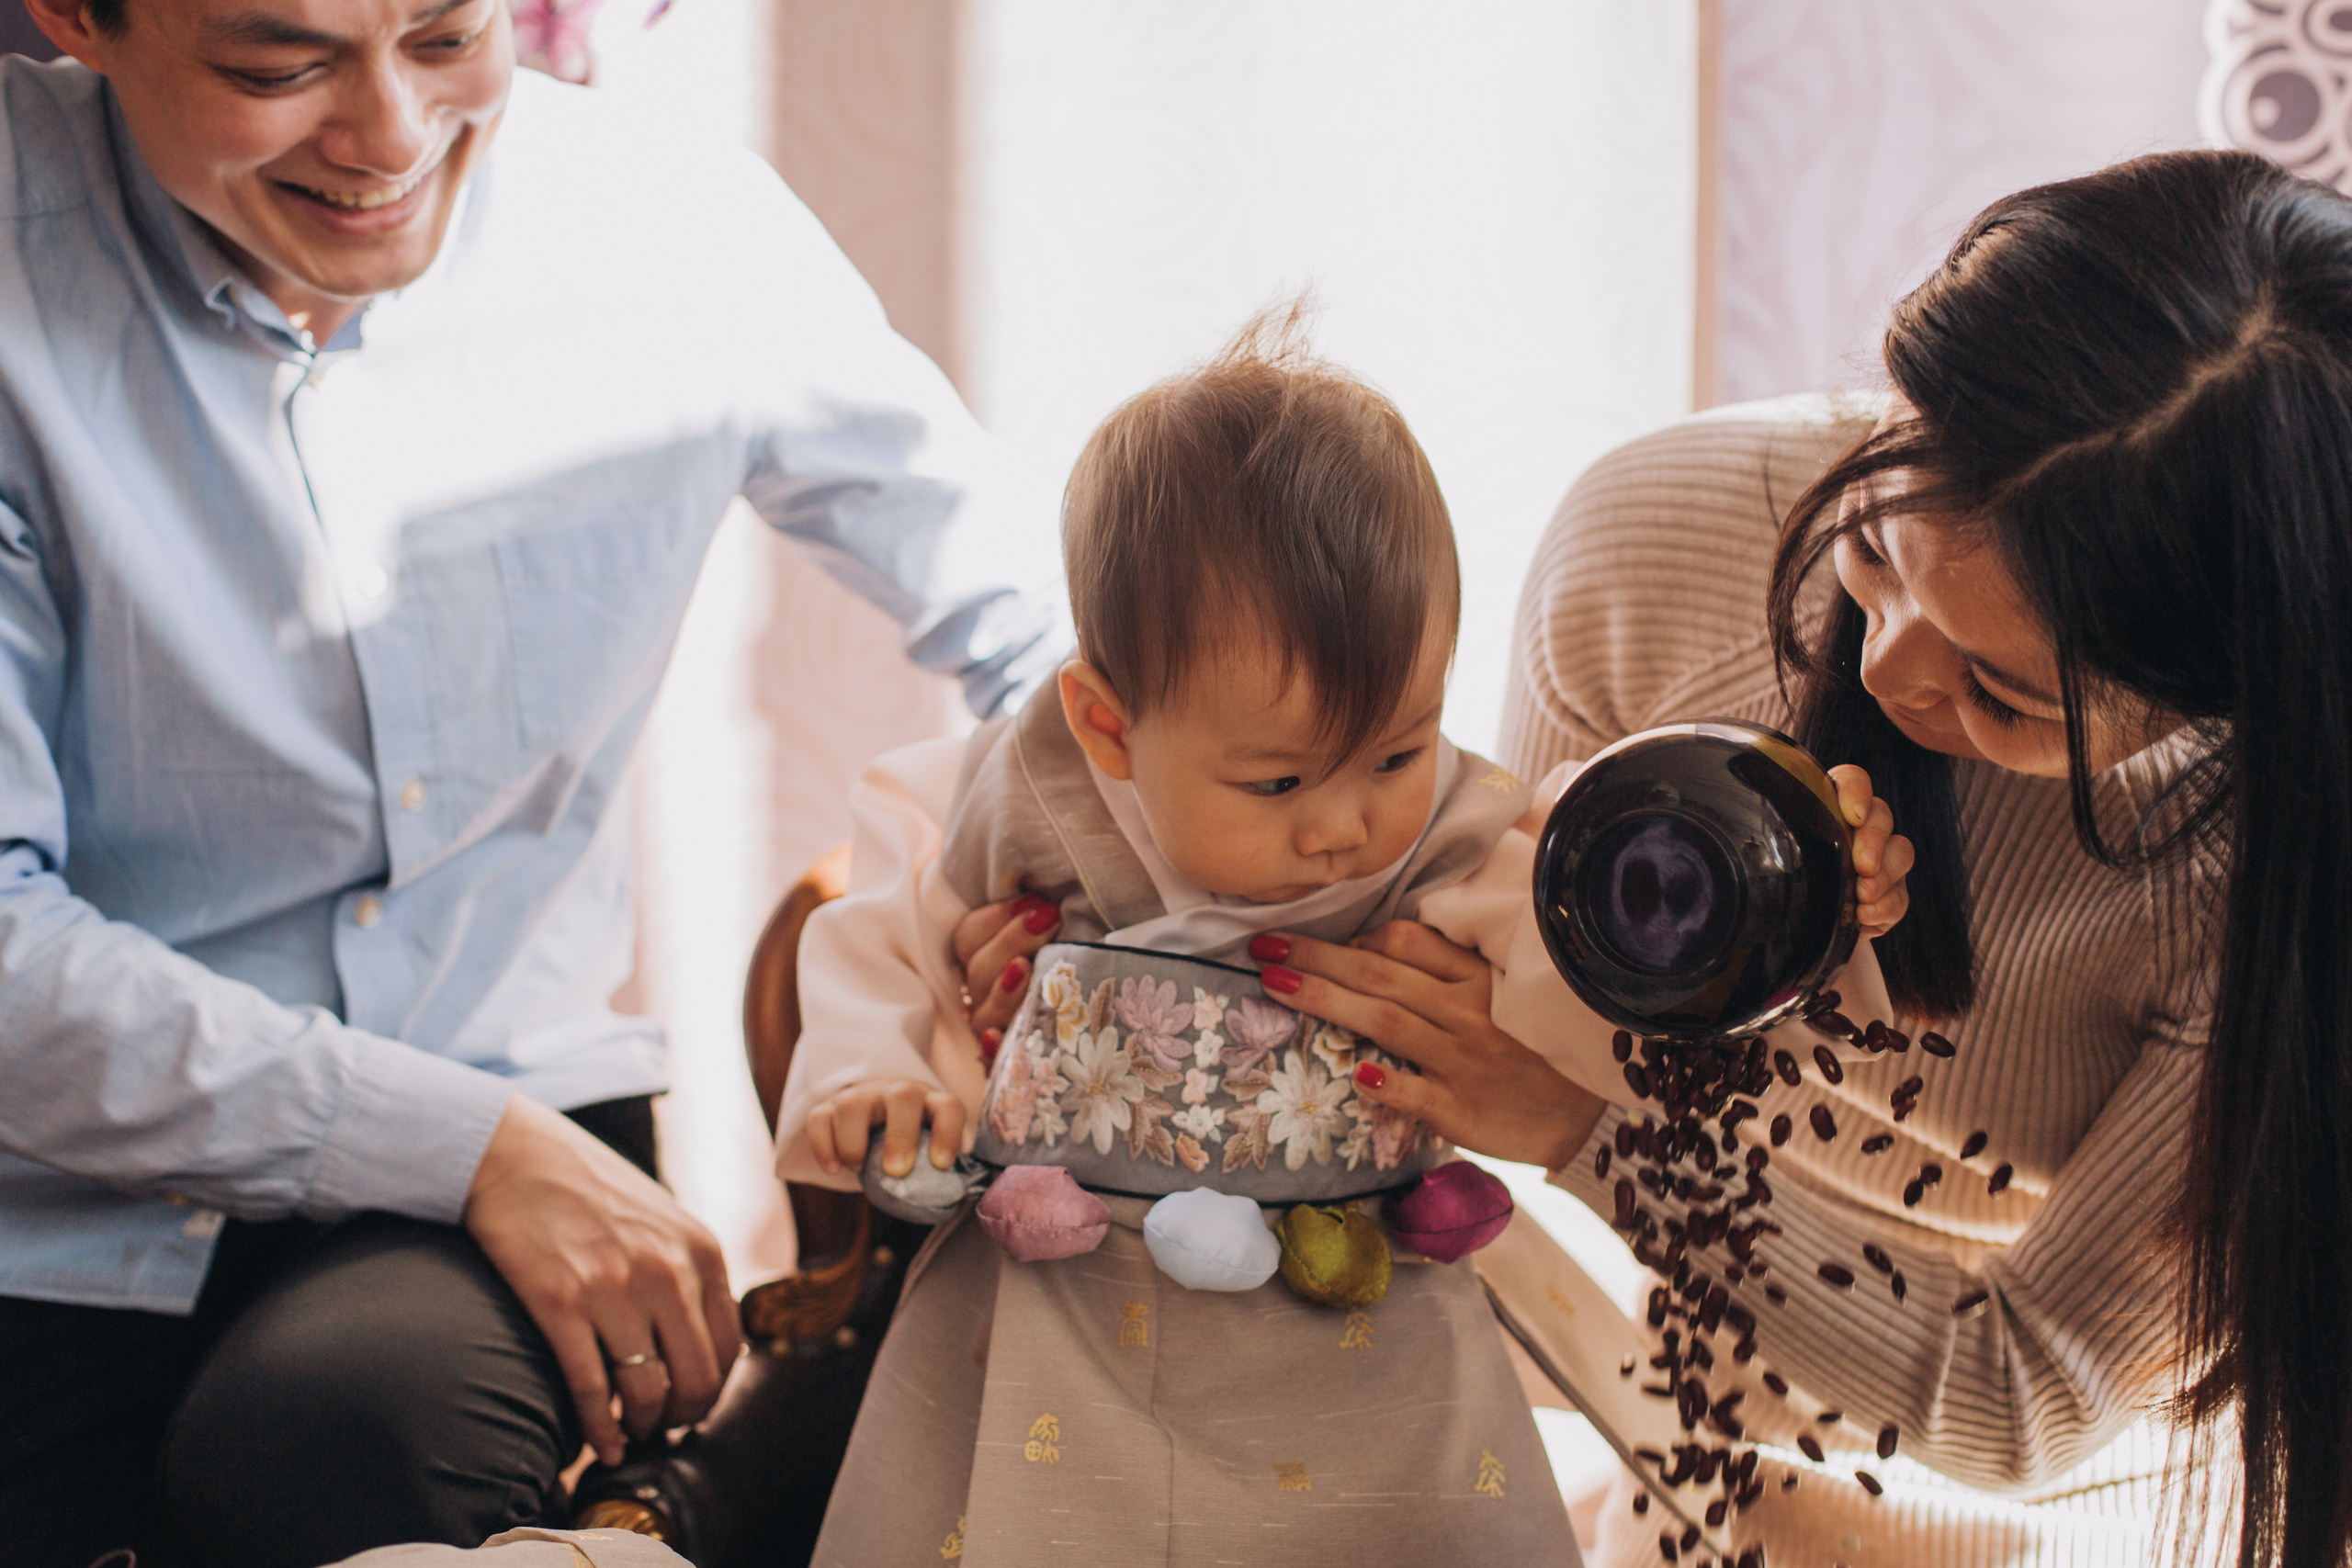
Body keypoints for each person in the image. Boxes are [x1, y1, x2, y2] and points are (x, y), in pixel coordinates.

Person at [0, 0, 1050, 1561]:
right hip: (64, 1190)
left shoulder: (673, 226)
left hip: (504, 1148)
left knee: (336, 1458)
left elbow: (1053, 633)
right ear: (81, 18)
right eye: (278, 66)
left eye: (445, 33)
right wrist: (462, 1143)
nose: (391, 138)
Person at [1223, 149, 2352, 1564]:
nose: (1889, 674)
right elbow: (1461, 965)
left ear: (2219, 699)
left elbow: (2023, 1397)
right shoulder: (1646, 544)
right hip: (1679, 1448)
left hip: (2077, 1522)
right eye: (1873, 554)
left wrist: (1587, 1137)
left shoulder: (2274, 872)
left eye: (2003, 695)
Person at [770, 316, 1892, 1567]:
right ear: (1107, 724)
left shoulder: (1458, 839)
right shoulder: (1024, 788)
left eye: (1397, 753)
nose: (1346, 828)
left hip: (1356, 1322)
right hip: (1061, 1315)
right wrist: (879, 1069)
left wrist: (1787, 908)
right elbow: (891, 918)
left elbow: (1607, 978)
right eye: (1278, 783)